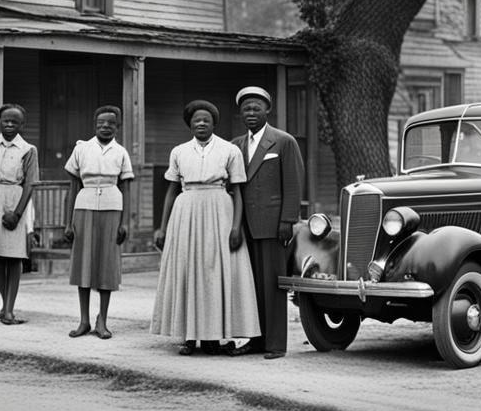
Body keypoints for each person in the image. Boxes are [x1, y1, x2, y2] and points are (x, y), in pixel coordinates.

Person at [151, 100, 261, 356]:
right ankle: (190, 337)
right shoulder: (179, 151)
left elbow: (238, 192)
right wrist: (162, 226)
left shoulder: (228, 150)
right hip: (185, 211)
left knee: (214, 273)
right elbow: (171, 191)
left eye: (206, 120)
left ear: (214, 124)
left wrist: (236, 227)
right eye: (196, 120)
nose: (201, 123)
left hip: (218, 210)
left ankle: (214, 337)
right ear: (190, 124)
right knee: (188, 270)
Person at [231, 86, 305, 359]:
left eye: (256, 108)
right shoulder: (236, 144)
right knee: (250, 286)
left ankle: (275, 343)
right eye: (246, 109)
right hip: (244, 225)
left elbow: (294, 183)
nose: (251, 113)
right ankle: (255, 339)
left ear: (268, 110)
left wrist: (288, 220)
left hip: (273, 224)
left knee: (272, 286)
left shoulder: (283, 141)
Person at [63, 105, 134, 340]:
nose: (105, 126)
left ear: (118, 126)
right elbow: (73, 187)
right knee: (84, 264)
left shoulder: (121, 152)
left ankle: (102, 319)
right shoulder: (82, 149)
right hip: (84, 206)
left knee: (106, 265)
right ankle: (83, 319)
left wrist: (125, 222)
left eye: (110, 123)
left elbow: (126, 188)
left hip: (112, 207)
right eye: (100, 123)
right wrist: (67, 222)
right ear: (95, 125)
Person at [0, 103, 38, 325]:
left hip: (16, 199)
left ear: (21, 125)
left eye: (14, 122)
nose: (9, 125)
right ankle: (1, 304)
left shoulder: (28, 150)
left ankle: (9, 309)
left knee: (14, 257)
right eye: (5, 121)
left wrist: (17, 214)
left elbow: (29, 184)